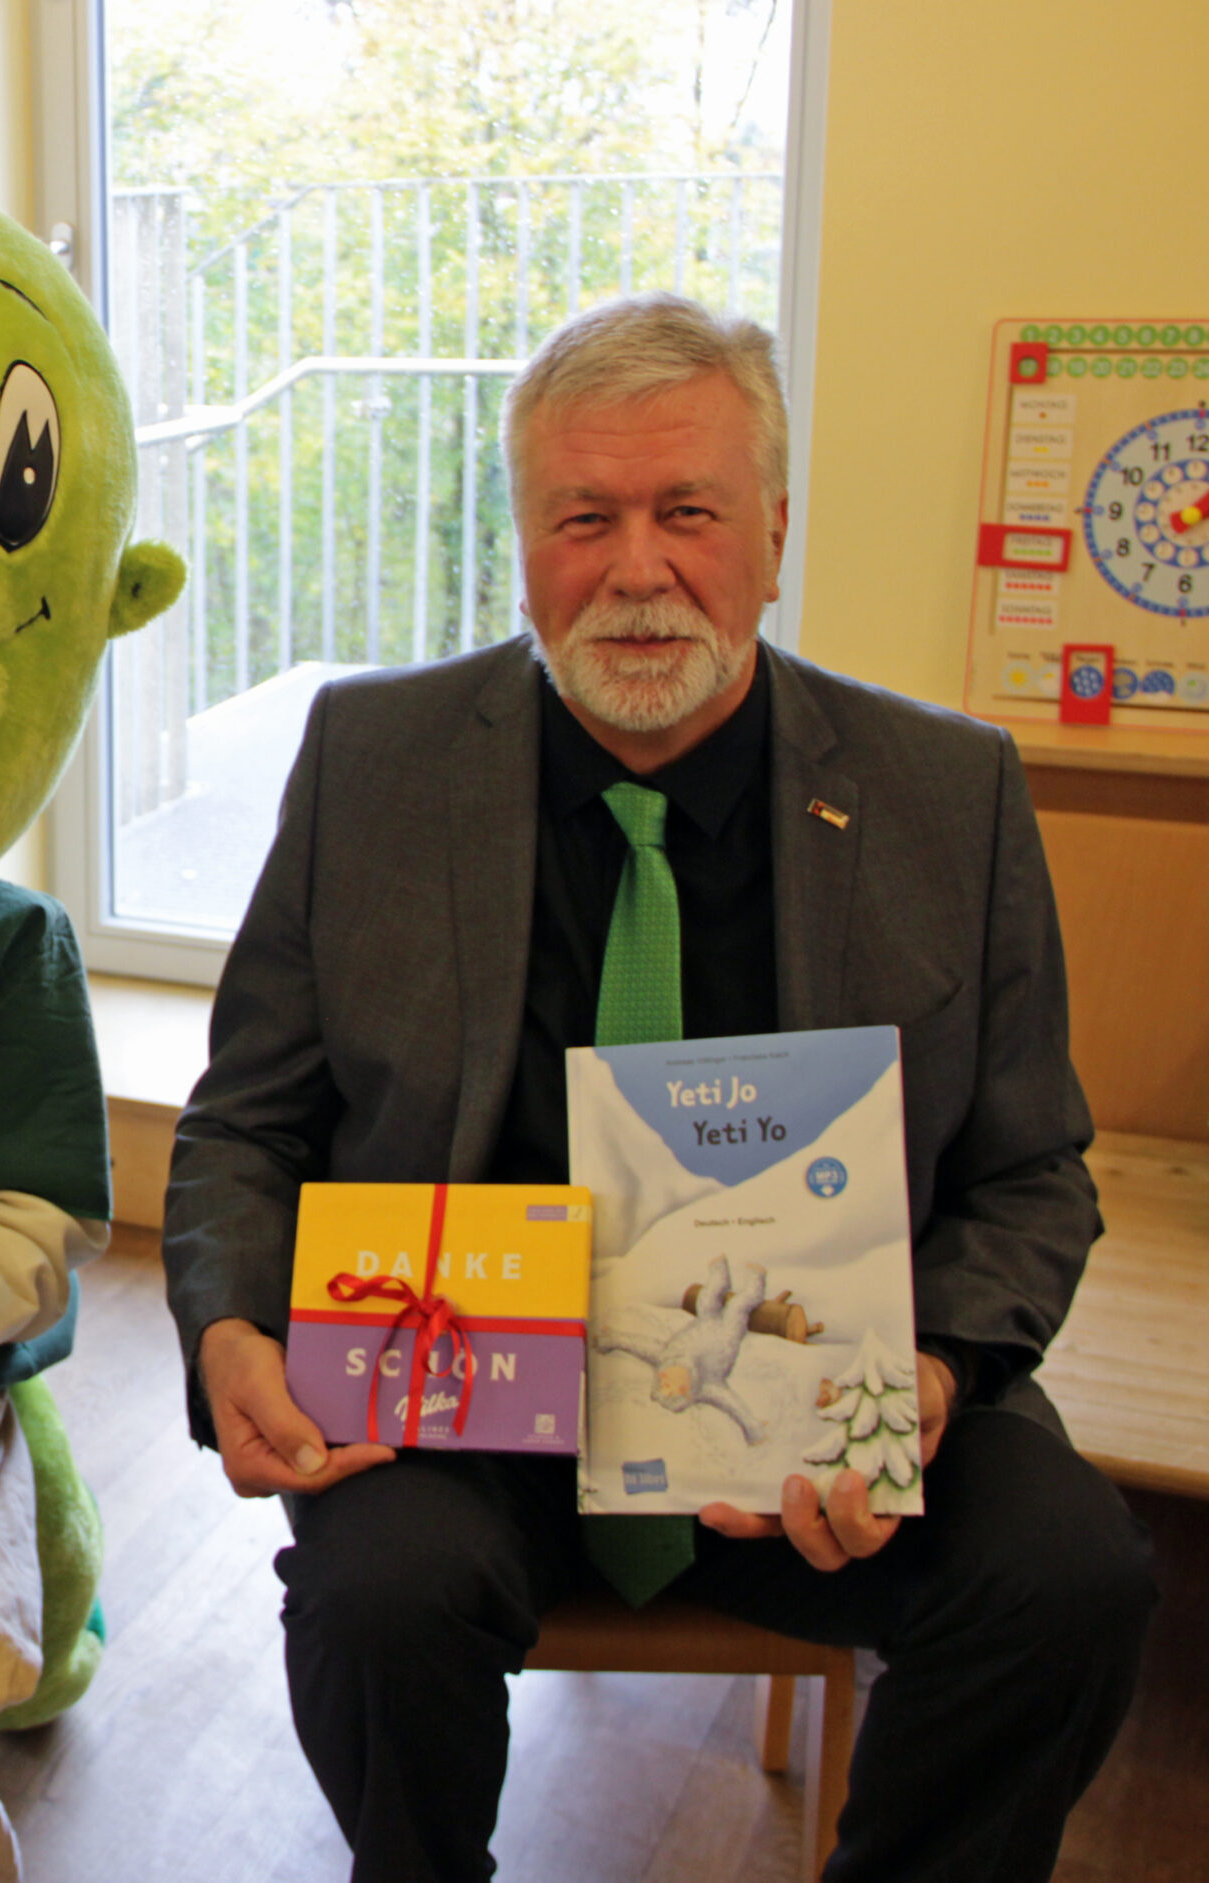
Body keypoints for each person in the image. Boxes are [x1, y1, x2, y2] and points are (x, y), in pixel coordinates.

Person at [160, 292, 1157, 1883]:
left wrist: (931, 1382)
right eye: (585, 518)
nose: (636, 569)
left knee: (1073, 1578)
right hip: (468, 1412)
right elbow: (247, 1120)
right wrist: (224, 1324)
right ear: (525, 545)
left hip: (810, 1414)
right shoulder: (374, 759)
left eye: (687, 512)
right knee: (372, 1597)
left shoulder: (945, 795)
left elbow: (1035, 1172)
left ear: (773, 531)